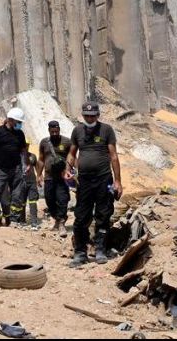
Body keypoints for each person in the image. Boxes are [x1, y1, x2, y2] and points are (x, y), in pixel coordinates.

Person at [66, 102, 123, 268]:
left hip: (104, 179)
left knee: (103, 214)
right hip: (83, 180)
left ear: (98, 115)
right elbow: (71, 154)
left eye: (92, 115)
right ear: (83, 115)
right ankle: (80, 252)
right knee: (81, 216)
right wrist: (68, 170)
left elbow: (113, 156)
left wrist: (118, 181)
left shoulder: (106, 130)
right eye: (87, 115)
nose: (89, 118)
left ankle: (100, 250)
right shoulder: (77, 131)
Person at [0, 108, 28, 226]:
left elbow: (24, 150)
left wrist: (26, 164)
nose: (19, 124)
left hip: (16, 168)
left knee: (17, 195)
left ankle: (14, 220)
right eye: (18, 122)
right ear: (10, 119)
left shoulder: (20, 133)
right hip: (0, 169)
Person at [36, 120, 72, 238]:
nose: (55, 134)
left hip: (62, 177)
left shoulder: (66, 142)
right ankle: (57, 218)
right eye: (53, 132)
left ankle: (61, 222)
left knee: (62, 199)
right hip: (49, 177)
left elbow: (71, 157)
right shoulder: (44, 142)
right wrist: (38, 174)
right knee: (49, 199)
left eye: (56, 131)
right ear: (49, 131)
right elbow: (41, 159)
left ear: (59, 130)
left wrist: (69, 170)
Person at [23, 140, 40, 227]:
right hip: (21, 182)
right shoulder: (17, 156)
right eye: (25, 145)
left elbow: (37, 167)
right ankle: (21, 220)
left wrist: (39, 177)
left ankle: (34, 221)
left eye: (27, 145)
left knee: (33, 201)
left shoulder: (32, 156)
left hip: (32, 182)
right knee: (21, 201)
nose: (26, 146)